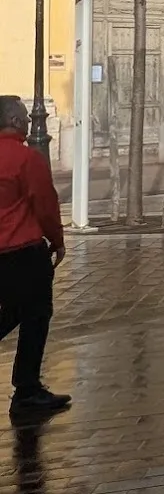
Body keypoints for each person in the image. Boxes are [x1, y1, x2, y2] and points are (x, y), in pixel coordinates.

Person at [0, 95, 69, 419]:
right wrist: (56, 241)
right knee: (35, 315)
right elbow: (45, 205)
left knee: (13, 310)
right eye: (26, 116)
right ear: (14, 121)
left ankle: (27, 388)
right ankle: (27, 389)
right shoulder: (27, 159)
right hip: (23, 250)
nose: (30, 121)